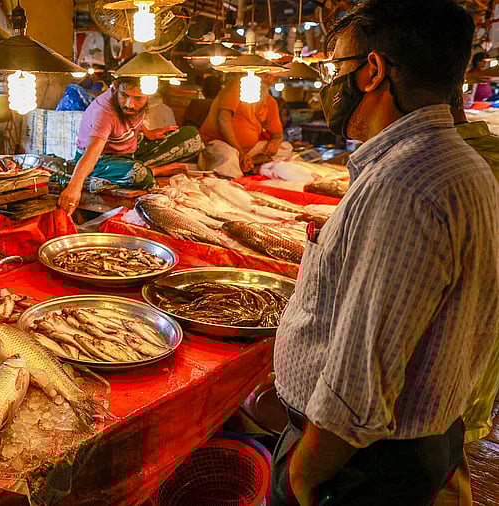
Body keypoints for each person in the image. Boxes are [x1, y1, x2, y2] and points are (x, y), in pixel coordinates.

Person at [272, 1, 499, 506]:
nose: (332, 83)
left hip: (361, 465)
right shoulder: (459, 162)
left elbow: (361, 375)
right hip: (407, 445)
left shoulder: (404, 183)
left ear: (372, 70)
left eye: (337, 66)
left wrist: (303, 475)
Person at [431, 89, 499, 506]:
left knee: (437, 461)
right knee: (451, 453)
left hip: (437, 374)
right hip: (481, 358)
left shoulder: (434, 168)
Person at [57, 76, 205, 214]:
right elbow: (93, 150)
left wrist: (147, 132)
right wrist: (74, 187)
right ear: (115, 87)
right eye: (124, 95)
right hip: (99, 161)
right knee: (139, 174)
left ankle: (142, 168)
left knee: (192, 138)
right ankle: (153, 170)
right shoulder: (105, 112)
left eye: (138, 98)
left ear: (150, 93)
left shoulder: (138, 100)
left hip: (128, 154)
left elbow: (134, 118)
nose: (129, 104)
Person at [199, 72, 286, 173]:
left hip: (250, 151)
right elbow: (223, 119)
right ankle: (244, 166)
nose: (267, 78)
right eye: (264, 73)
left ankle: (249, 162)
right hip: (221, 144)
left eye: (271, 75)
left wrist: (275, 142)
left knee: (285, 148)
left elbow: (278, 135)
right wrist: (241, 152)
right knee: (229, 157)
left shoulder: (270, 102)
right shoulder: (237, 85)